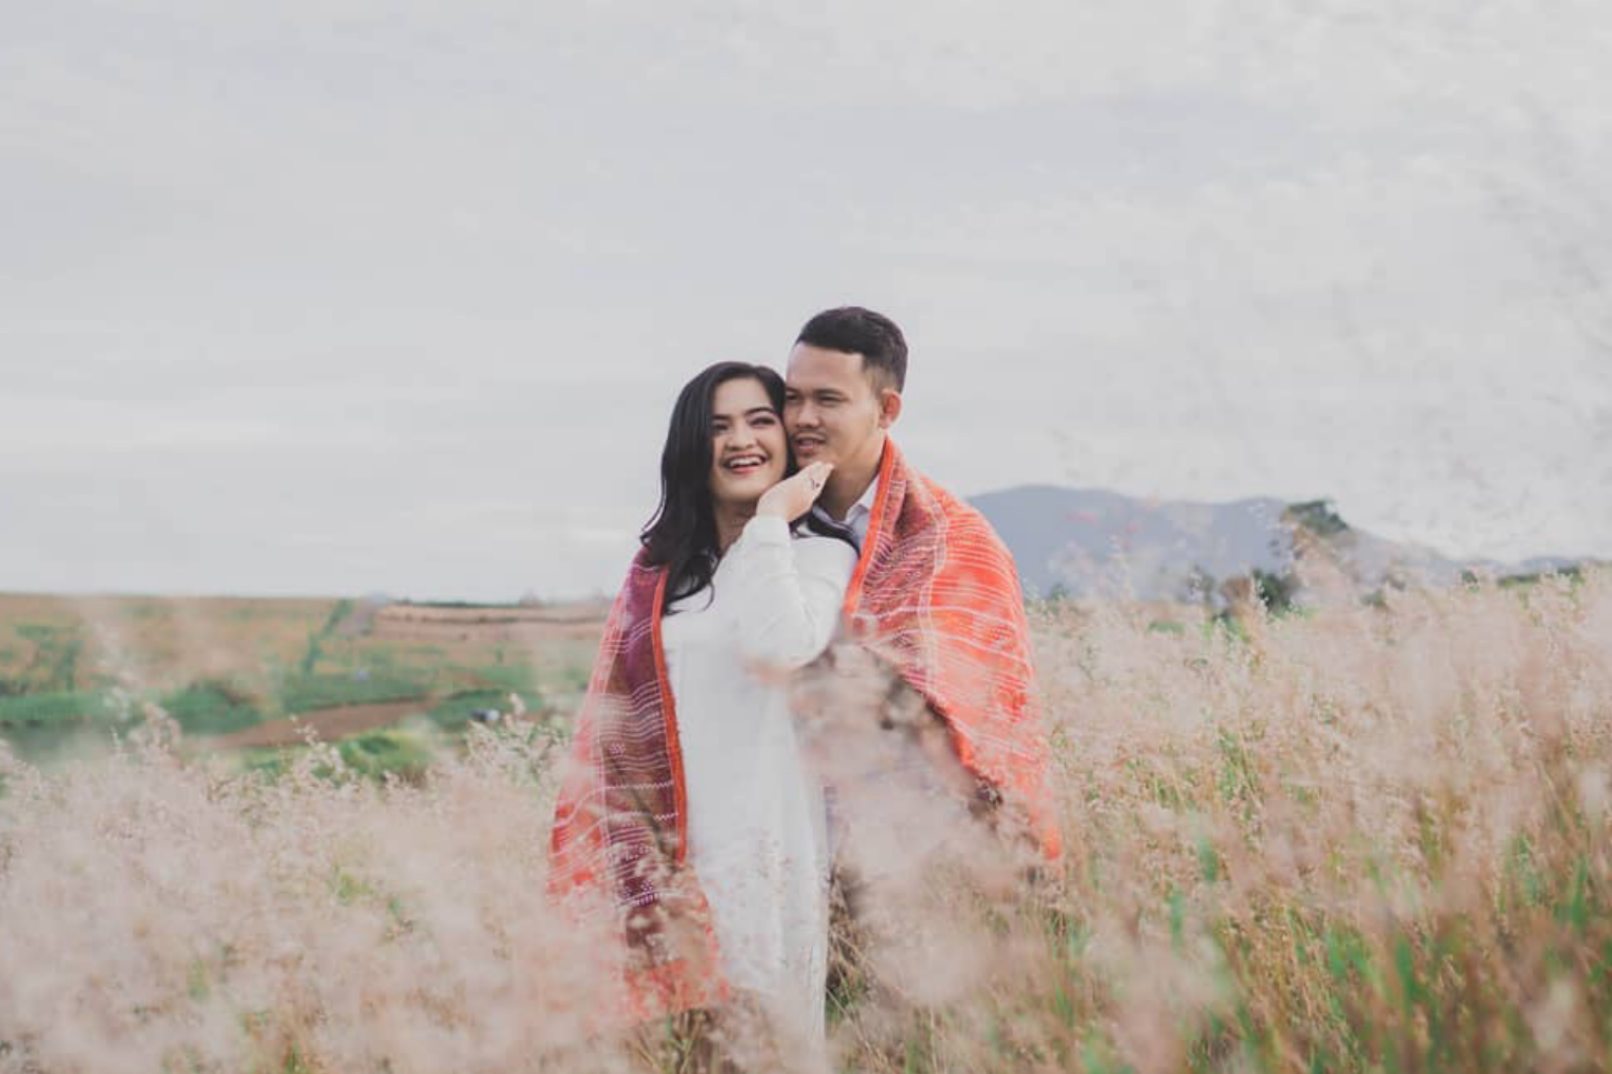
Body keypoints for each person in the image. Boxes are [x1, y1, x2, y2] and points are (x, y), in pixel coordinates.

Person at [547, 361, 855, 1064]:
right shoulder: (660, 578)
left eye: (759, 420)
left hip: (769, 856)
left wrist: (772, 523)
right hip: (669, 867)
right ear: (692, 446)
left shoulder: (815, 556)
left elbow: (780, 645)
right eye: (718, 427)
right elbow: (614, 732)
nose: (740, 440)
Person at [783, 306, 1063, 862]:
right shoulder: (756, 519)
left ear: (886, 410)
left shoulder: (954, 541)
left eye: (828, 400)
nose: (802, 418)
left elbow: (987, 718)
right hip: (778, 827)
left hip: (913, 853)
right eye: (793, 397)